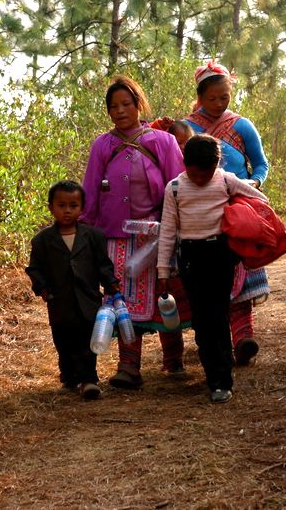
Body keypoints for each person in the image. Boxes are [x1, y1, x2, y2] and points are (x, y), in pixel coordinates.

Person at [81, 76, 188, 390]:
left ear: (138, 104)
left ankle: (174, 360)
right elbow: (90, 189)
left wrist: (176, 226)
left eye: (126, 104)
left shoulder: (162, 141)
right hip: (115, 236)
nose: (120, 111)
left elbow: (177, 186)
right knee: (123, 299)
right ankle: (129, 367)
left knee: (163, 294)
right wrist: (86, 232)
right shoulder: (103, 145)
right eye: (113, 106)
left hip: (156, 235)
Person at [156, 134, 266, 403]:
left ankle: (221, 379)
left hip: (221, 254)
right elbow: (168, 230)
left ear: (217, 165)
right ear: (184, 164)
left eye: (206, 174)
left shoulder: (226, 180)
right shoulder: (174, 189)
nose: (200, 179)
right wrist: (163, 271)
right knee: (202, 319)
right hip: (191, 258)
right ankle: (213, 374)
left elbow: (259, 198)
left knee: (217, 314)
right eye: (194, 174)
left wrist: (242, 220)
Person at [185, 61, 270, 367]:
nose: (219, 104)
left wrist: (254, 183)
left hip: (238, 207)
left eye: (224, 97)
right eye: (212, 99)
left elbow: (261, 164)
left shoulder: (241, 126)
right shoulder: (187, 127)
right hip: (201, 211)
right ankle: (216, 338)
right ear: (199, 97)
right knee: (210, 277)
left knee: (240, 268)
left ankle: (243, 337)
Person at [26, 180, 120, 400]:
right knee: (63, 341)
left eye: (73, 205)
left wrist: (111, 283)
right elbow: (34, 268)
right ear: (50, 207)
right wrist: (42, 289)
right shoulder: (42, 240)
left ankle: (89, 379)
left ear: (82, 208)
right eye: (61, 205)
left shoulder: (94, 236)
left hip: (88, 300)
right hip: (59, 301)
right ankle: (69, 376)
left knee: (88, 339)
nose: (67, 210)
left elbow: (102, 264)